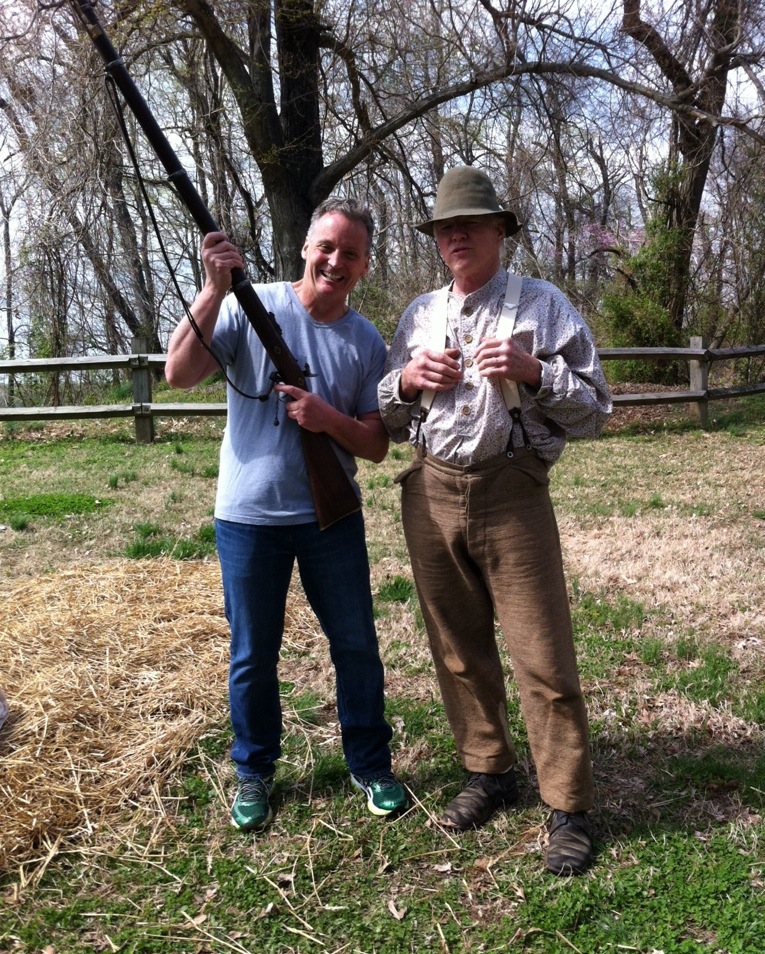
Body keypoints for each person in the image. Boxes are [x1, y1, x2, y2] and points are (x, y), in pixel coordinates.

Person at [378, 166, 611, 875]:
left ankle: (566, 806)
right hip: (429, 491)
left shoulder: (543, 305)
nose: (457, 237)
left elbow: (596, 412)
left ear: (500, 233)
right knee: (456, 648)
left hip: (512, 492)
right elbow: (386, 416)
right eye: (446, 228)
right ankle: (487, 769)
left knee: (542, 656)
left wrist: (535, 372)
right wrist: (408, 382)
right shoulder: (418, 314)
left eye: (471, 225)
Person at [166, 197, 408, 832]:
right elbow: (178, 372)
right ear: (306, 246)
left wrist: (327, 418)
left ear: (363, 265)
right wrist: (212, 288)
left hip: (332, 518)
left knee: (356, 645)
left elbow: (378, 444)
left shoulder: (365, 340)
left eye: (350, 253)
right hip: (247, 517)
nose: (335, 261)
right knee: (252, 653)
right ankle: (254, 772)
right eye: (326, 247)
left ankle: (371, 764)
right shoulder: (253, 306)